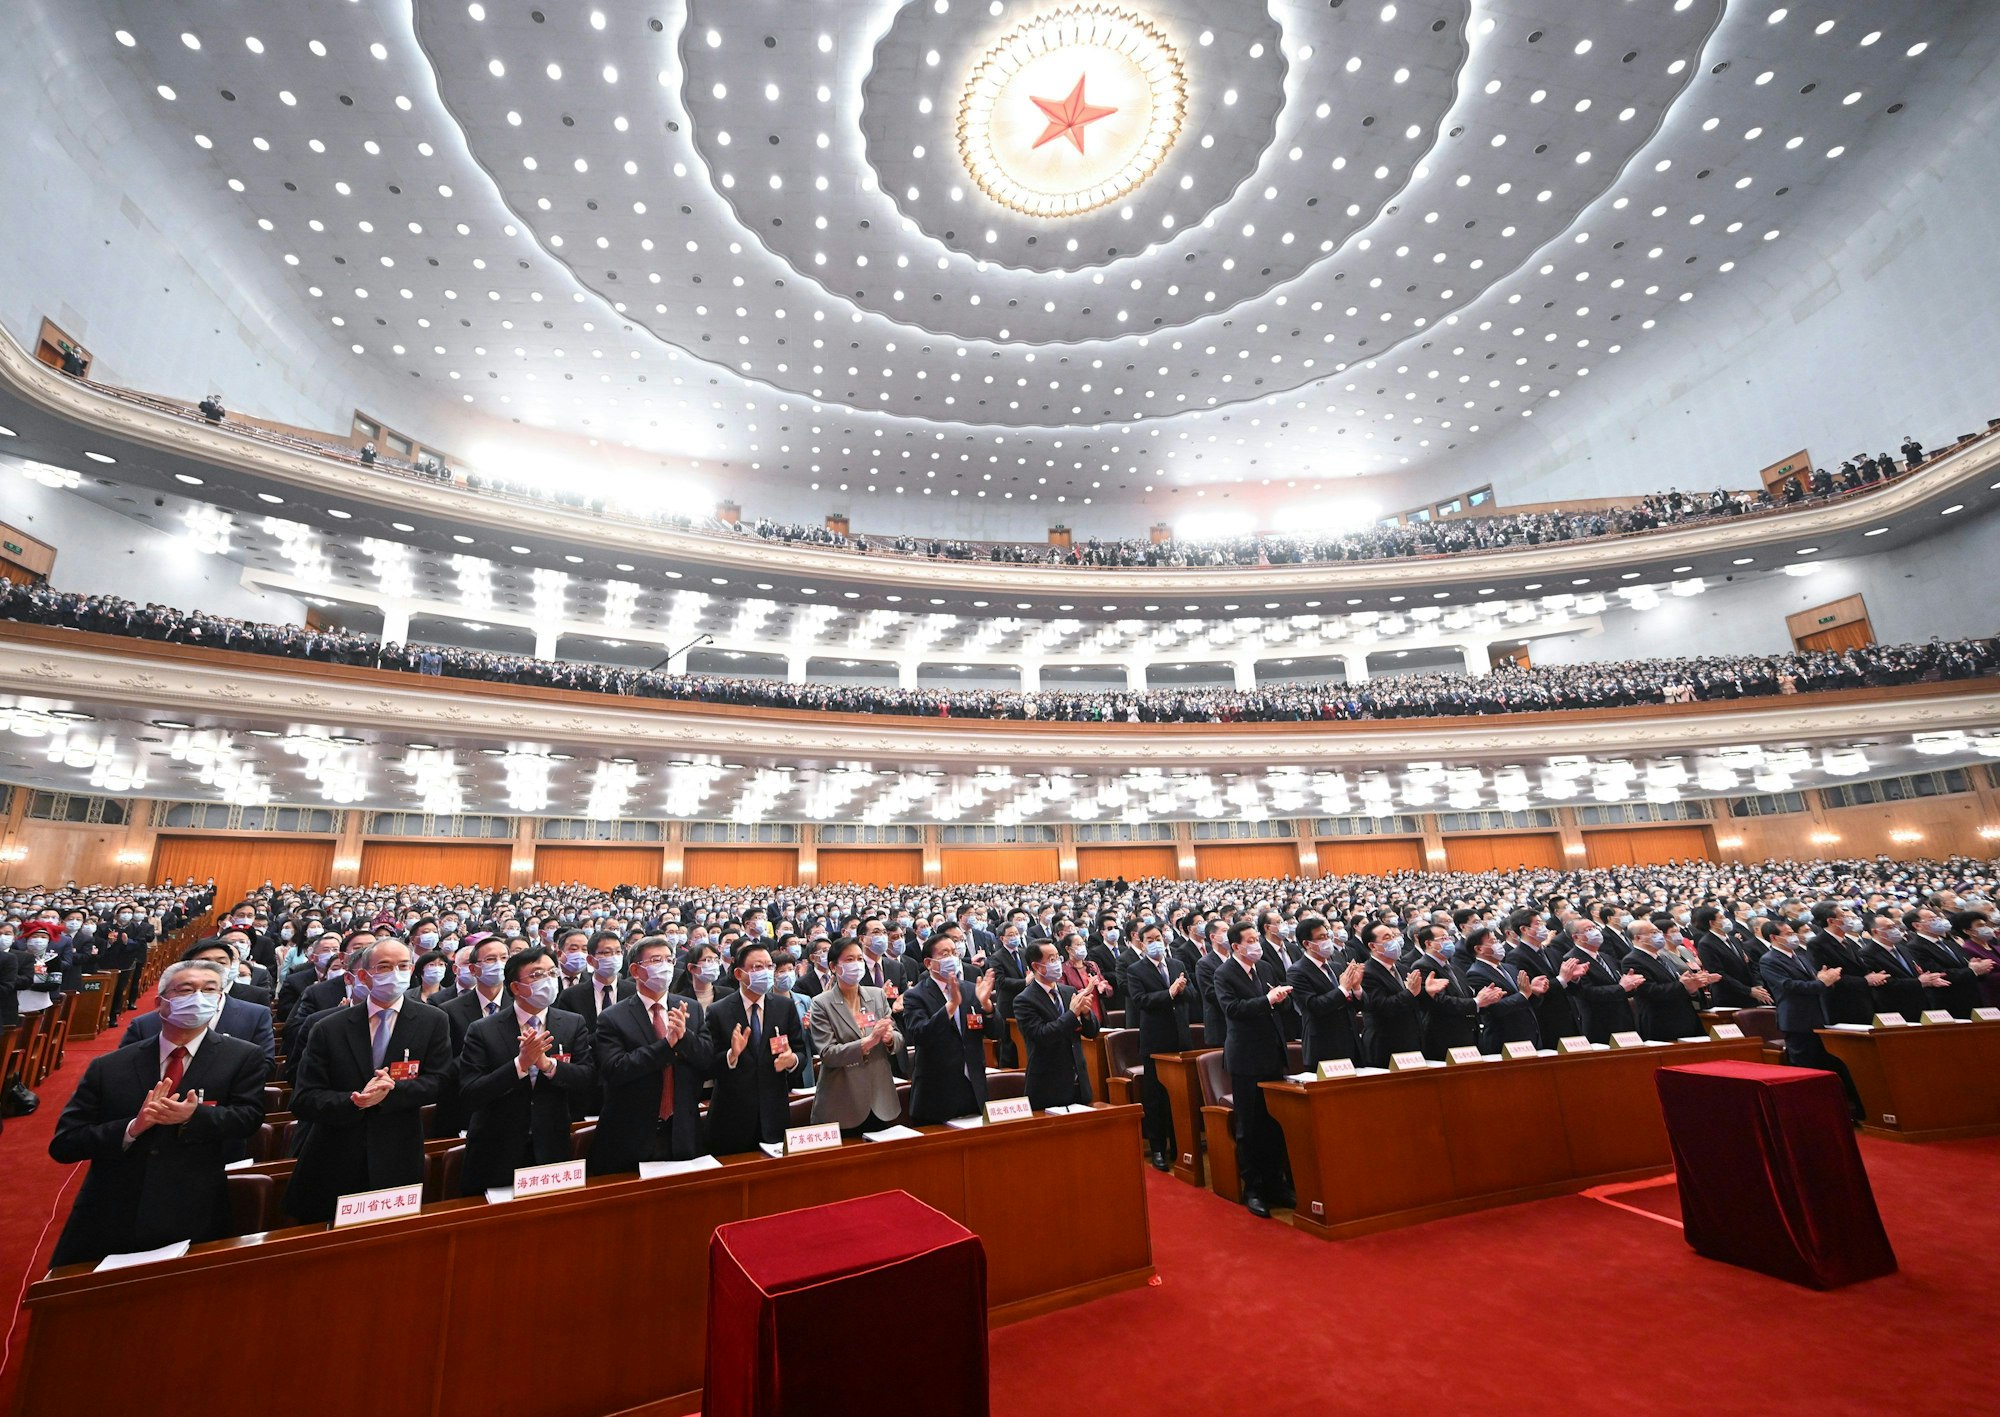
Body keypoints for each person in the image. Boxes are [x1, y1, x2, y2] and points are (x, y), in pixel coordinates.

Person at [47, 959, 266, 1266]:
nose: (198, 998)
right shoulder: (110, 1067)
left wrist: (192, 1117)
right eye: (186, 990)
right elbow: (65, 1143)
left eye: (209, 990)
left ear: (219, 1001)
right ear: (161, 1003)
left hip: (193, 1207)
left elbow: (249, 1118)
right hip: (112, 1209)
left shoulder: (242, 1057)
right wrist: (131, 1129)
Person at [286, 938, 452, 1224]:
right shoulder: (327, 1026)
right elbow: (303, 1099)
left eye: (402, 966)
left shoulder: (433, 1020)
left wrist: (391, 1092)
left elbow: (440, 1081)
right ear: (363, 975)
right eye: (384, 967)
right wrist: (356, 1100)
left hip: (398, 1150)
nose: (395, 973)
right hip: (334, 1152)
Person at [456, 947, 597, 1194]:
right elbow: (471, 1093)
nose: (548, 980)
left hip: (552, 1144)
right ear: (516, 988)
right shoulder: (482, 1030)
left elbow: (587, 1079)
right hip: (496, 1148)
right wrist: (519, 1065)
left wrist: (548, 1065)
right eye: (536, 975)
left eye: (551, 973)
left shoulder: (572, 1023)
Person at [588, 936, 714, 1173]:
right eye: (656, 960)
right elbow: (615, 1069)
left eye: (669, 959)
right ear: (635, 970)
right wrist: (666, 1045)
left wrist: (685, 1038)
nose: (665, 966)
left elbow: (706, 1060)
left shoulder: (690, 1008)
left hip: (682, 1131)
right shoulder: (613, 1017)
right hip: (631, 1133)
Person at [1213, 921, 1292, 1218]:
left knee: (1274, 1123)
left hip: (1271, 1053)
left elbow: (1277, 1007)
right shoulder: (1225, 973)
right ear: (1236, 946)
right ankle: (1254, 1189)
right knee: (1249, 1126)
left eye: (1256, 938)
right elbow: (1232, 1010)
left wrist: (1281, 999)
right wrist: (1267, 1000)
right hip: (1246, 1058)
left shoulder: (1266, 969)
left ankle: (1276, 1184)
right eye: (1250, 940)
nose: (1256, 944)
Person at [1754, 917, 1863, 1120]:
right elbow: (1789, 986)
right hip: (1797, 1020)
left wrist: (1825, 979)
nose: (1793, 936)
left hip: (1818, 1016)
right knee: (1806, 1068)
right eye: (1788, 934)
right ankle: (1810, 1114)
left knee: (1829, 1065)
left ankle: (1839, 1110)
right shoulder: (1769, 959)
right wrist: (1822, 983)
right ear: (1773, 937)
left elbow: (1814, 981)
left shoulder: (1800, 955)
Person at [704, 943, 806, 1155]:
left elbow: (800, 1051)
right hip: (732, 1117)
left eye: (769, 966)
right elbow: (708, 1063)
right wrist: (732, 1055)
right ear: (739, 974)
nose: (767, 972)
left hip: (774, 1113)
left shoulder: (784, 1006)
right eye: (758, 967)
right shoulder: (718, 1011)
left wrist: (792, 1060)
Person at [120, 939, 275, 1068]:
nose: (213, 967)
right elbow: (124, 1067)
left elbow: (263, 1064)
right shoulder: (144, 1024)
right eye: (204, 961)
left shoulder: (255, 1015)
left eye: (222, 962)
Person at [808, 938, 905, 1135]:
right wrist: (869, 1041)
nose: (857, 964)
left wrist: (888, 1039)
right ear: (834, 966)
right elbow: (828, 1053)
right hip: (843, 1101)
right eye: (850, 959)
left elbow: (898, 1039)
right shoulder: (821, 1003)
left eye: (860, 958)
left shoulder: (877, 995)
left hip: (879, 1097)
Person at [900, 934, 996, 1125]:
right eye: (944, 954)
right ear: (929, 962)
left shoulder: (970, 989)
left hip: (973, 1088)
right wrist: (950, 1006)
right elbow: (921, 1035)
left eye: (954, 952)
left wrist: (987, 1006)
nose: (952, 957)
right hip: (937, 1092)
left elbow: (996, 1033)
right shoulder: (915, 996)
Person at [1123, 920, 1194, 1170]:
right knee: (1155, 1097)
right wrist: (1170, 993)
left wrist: (1182, 990)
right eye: (1150, 940)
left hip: (1180, 1040)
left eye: (1159, 937)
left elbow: (1193, 996)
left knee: (1179, 1097)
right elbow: (1141, 1001)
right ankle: (1157, 1149)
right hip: (1155, 1041)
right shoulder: (1136, 969)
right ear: (1141, 943)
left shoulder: (1176, 964)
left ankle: (1179, 1145)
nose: (1157, 943)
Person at [1013, 938, 1099, 1110]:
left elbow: (1091, 1032)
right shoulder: (1024, 1000)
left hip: (1079, 1082)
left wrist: (1087, 1014)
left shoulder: (1068, 992)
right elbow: (1042, 1035)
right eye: (1051, 959)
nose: (1057, 963)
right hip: (1048, 1085)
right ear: (1037, 966)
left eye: (1058, 958)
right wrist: (1072, 1014)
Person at [1286, 916, 1364, 1067]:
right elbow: (1315, 1006)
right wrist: (1343, 989)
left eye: (1327, 936)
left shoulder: (1336, 966)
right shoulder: (1297, 972)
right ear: (1307, 943)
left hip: (1350, 1042)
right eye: (1321, 937)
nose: (1327, 940)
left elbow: (1356, 1006)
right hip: (1323, 1045)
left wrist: (1356, 988)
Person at [1359, 923, 1440, 1067]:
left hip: (1412, 1041)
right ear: (1373, 946)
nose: (1393, 941)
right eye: (1387, 938)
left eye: (1393, 936)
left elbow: (1415, 1004)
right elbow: (1381, 1006)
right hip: (1386, 1045)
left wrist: (1428, 993)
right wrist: (1409, 993)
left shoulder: (1403, 969)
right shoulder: (1367, 973)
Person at [1624, 919, 1713, 1041]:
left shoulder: (1661, 957)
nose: (1658, 935)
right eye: (1653, 932)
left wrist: (1693, 986)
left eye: (1658, 932)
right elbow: (1649, 991)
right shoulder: (1632, 960)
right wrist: (1683, 986)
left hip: (1684, 1015)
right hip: (1660, 1020)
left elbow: (1679, 982)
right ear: (1638, 938)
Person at [1858, 911, 1939, 1021]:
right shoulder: (1867, 953)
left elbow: (1916, 971)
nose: (1895, 930)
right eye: (1889, 927)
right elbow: (1884, 982)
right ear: (1876, 931)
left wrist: (1930, 979)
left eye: (1895, 926)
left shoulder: (1903, 948)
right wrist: (1918, 982)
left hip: (1920, 1003)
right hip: (1895, 1007)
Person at [441, 933, 512, 1051]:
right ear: (473, 969)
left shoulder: (519, 1003)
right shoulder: (450, 1011)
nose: (499, 964)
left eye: (504, 958)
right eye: (490, 959)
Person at [556, 930, 632, 1029]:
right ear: (590, 960)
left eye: (618, 952)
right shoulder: (571, 995)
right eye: (607, 952)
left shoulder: (633, 991)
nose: (613, 957)